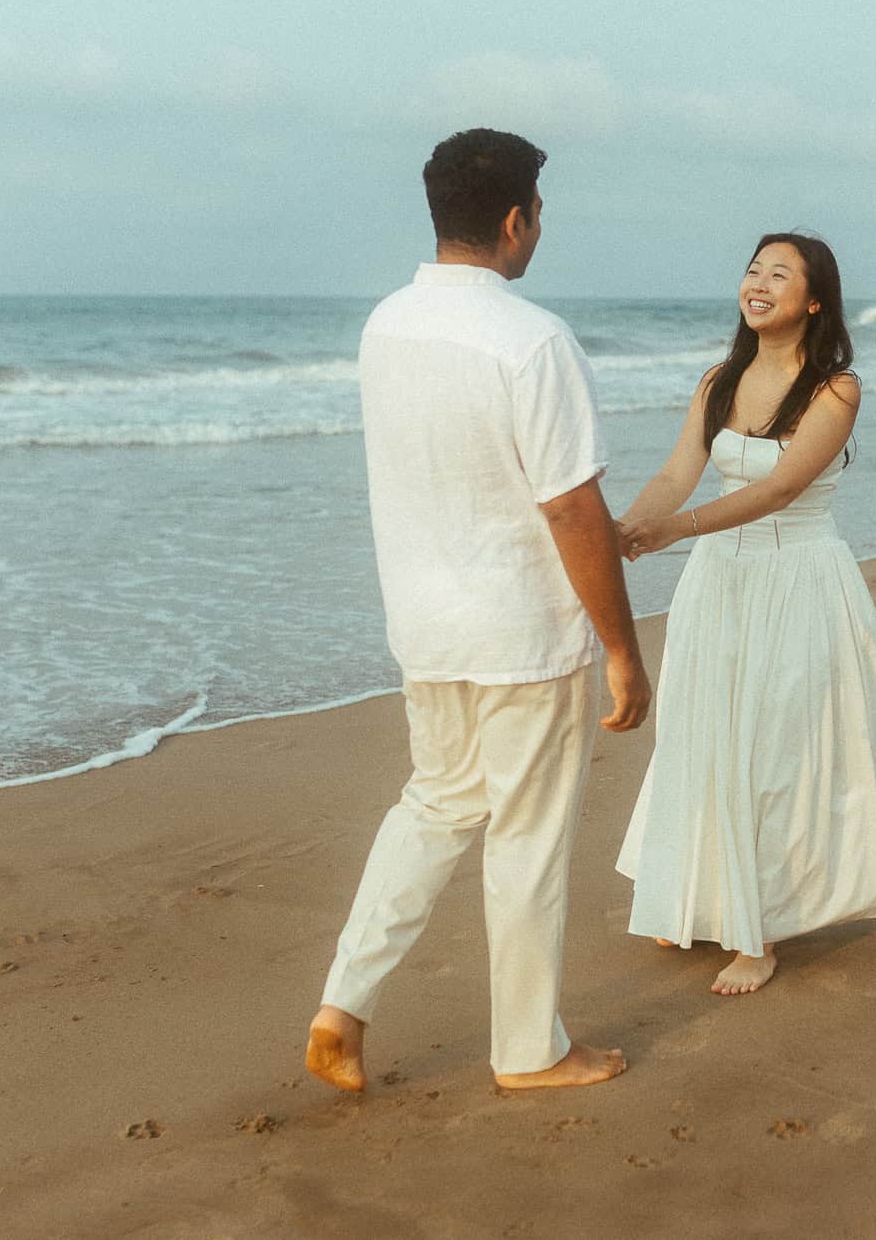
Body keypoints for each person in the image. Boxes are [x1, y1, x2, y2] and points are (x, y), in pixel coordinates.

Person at [305, 128, 650, 1093]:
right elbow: (572, 508)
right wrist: (622, 648)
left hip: (426, 622)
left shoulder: (387, 324)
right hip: (521, 631)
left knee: (434, 804)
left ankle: (343, 1002)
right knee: (527, 835)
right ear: (514, 220)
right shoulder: (532, 339)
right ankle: (529, 1049)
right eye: (537, 215)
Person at [613, 233, 876, 995]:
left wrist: (677, 529)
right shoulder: (720, 378)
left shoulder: (835, 389)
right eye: (752, 270)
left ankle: (762, 930)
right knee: (706, 735)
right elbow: (678, 470)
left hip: (799, 579)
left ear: (814, 300)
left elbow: (782, 488)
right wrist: (628, 528)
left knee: (776, 749)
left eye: (779, 274)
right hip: (721, 580)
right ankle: (697, 894)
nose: (758, 284)